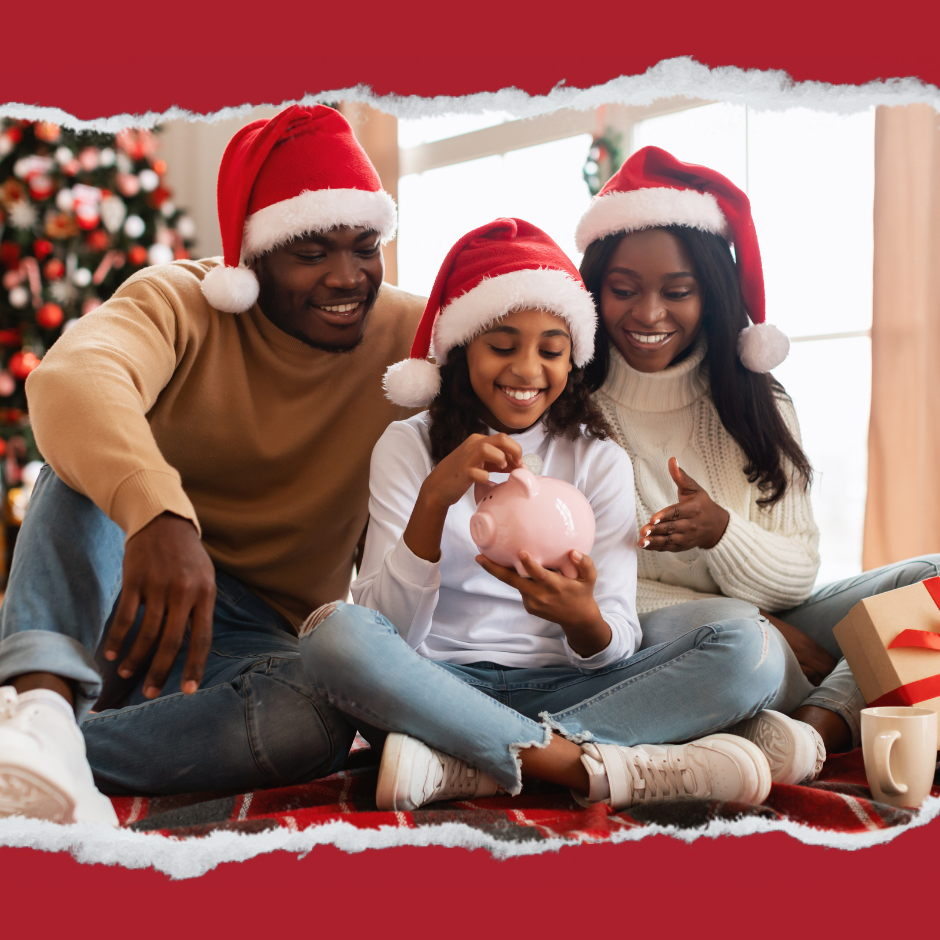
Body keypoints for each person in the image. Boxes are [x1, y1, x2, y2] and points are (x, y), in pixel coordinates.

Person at [0, 104, 425, 825]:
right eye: (312, 251)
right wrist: (159, 513)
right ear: (250, 259)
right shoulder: (180, 299)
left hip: (250, 646)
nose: (347, 277)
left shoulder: (410, 337)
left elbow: (534, 360)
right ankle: (39, 702)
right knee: (79, 469)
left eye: (364, 245)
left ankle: (50, 753)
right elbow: (70, 378)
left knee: (318, 715)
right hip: (124, 584)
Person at [298, 218, 786, 814]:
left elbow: (617, 641)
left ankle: (469, 761)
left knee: (752, 648)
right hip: (439, 686)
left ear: (573, 357)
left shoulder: (597, 457)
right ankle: (577, 765)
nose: (528, 371)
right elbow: (382, 631)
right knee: (333, 633)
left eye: (551, 351)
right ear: (462, 348)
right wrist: (432, 503)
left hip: (569, 688)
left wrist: (583, 620)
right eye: (502, 346)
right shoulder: (408, 446)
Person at [575, 145, 940, 775]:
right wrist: (759, 620)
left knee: (931, 582)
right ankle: (818, 703)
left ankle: (816, 724)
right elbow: (598, 590)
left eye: (678, 291)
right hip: (663, 635)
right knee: (751, 647)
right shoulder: (572, 410)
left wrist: (723, 533)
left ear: (710, 294)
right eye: (624, 290)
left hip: (776, 619)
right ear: (595, 292)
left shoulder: (756, 399)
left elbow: (797, 573)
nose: (649, 314)